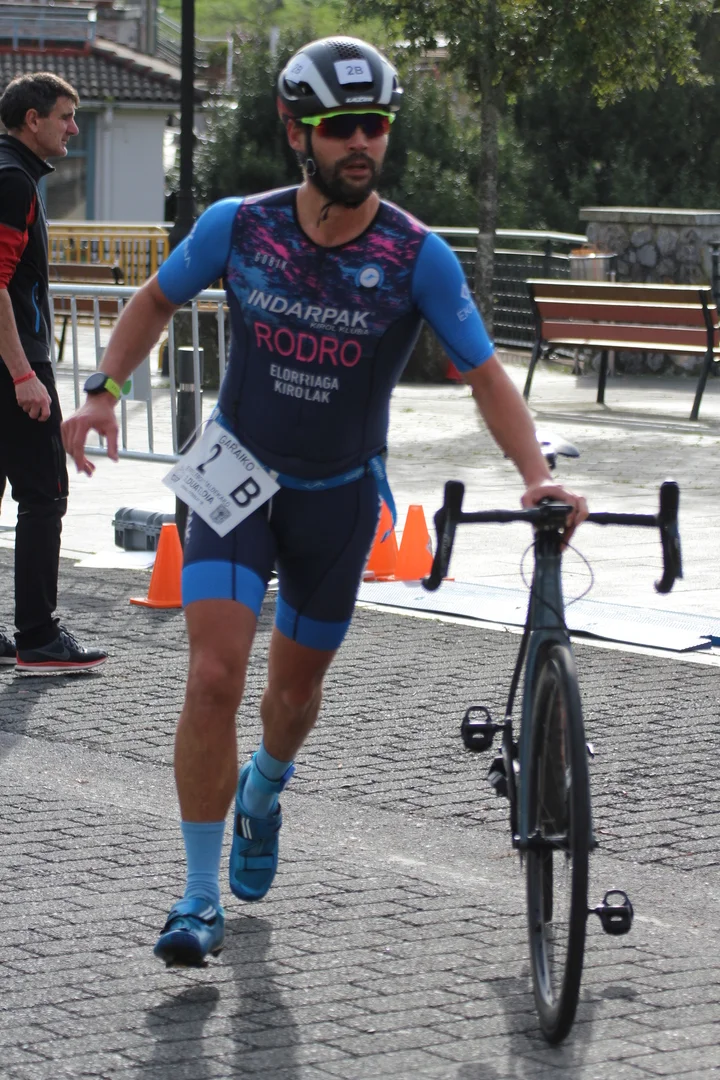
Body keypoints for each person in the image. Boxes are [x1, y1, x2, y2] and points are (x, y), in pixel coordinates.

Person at [62, 37, 587, 966]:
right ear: (295, 130)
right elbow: (153, 300)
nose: (361, 143)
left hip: (337, 499)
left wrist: (535, 473)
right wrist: (103, 389)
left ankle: (265, 788)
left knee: (293, 696)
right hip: (233, 476)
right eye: (341, 127)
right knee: (213, 676)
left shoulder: (416, 256)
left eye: (375, 126)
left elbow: (485, 376)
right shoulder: (239, 226)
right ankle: (196, 897)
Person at [0, 72, 107, 674]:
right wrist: (23, 374)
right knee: (44, 496)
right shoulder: (12, 180)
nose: (73, 128)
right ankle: (39, 637)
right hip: (12, 361)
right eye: (65, 116)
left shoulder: (12, 172)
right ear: (32, 119)